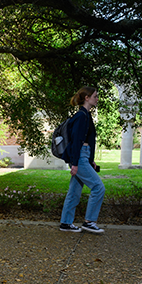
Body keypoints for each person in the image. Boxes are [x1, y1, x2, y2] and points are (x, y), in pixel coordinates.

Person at [59, 87, 105, 234]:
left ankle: (66, 223)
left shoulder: (86, 115)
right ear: (87, 98)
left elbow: (88, 140)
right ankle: (89, 222)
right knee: (98, 187)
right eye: (95, 96)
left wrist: (91, 160)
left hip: (83, 156)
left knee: (74, 191)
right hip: (79, 156)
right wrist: (76, 163)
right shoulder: (80, 116)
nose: (97, 99)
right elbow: (77, 141)